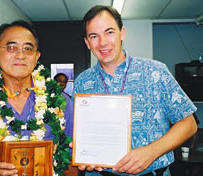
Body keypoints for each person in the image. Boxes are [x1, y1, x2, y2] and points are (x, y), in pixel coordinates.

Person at [73, 5, 198, 176]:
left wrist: (151, 152)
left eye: (109, 32)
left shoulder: (155, 71)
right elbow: (81, 132)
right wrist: (82, 150)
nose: (102, 42)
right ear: (87, 43)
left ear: (122, 33)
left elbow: (189, 124)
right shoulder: (82, 82)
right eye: (94, 36)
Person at [0, 20, 73, 175]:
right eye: (11, 47)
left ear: (37, 57)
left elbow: (71, 163)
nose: (20, 55)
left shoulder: (61, 103)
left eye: (28, 49)